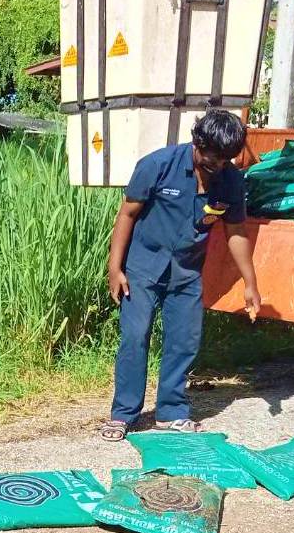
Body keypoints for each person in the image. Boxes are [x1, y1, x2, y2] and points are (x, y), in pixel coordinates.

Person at [98, 110, 262, 442]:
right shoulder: (157, 165)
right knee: (134, 337)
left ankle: (171, 412)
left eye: (224, 159)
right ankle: (123, 414)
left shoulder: (230, 180)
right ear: (197, 141)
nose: (215, 164)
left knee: (184, 340)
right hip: (142, 268)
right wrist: (115, 268)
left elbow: (236, 232)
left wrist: (250, 283)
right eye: (211, 156)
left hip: (187, 271)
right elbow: (127, 214)